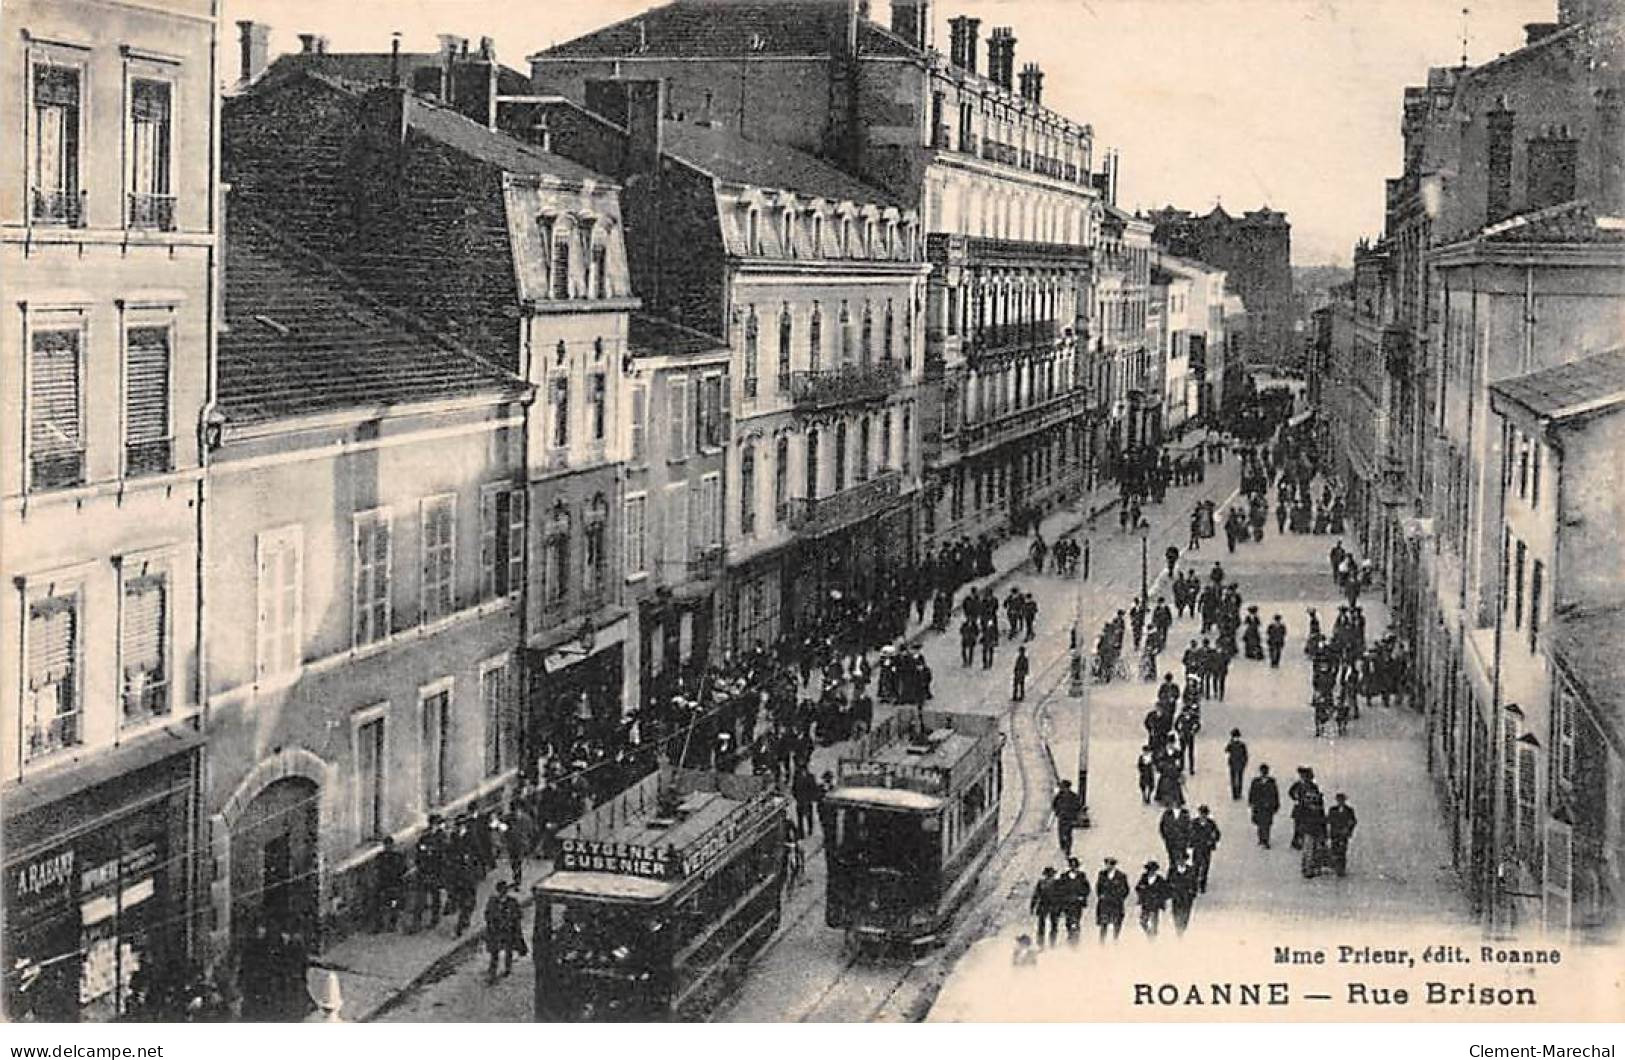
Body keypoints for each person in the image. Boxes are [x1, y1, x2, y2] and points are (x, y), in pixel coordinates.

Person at [484, 880, 526, 981]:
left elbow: (519, 915)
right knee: (495, 952)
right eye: (500, 890)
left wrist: (511, 922)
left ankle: (508, 968)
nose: (502, 892)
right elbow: (487, 915)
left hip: (508, 931)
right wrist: (492, 923)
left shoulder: (512, 902)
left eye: (504, 890)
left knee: (509, 950)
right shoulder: (493, 902)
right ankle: (492, 971)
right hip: (496, 931)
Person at [374, 835, 406, 932]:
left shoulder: (397, 857)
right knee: (381, 904)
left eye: (389, 845)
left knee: (393, 903)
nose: (388, 847)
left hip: (394, 883)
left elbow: (403, 869)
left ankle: (392, 922)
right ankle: (380, 924)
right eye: (386, 845)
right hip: (383, 883)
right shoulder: (380, 856)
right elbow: (377, 869)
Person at [1057, 857, 1092, 941]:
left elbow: (1086, 888)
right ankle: (1070, 935)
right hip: (1067, 902)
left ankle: (1076, 938)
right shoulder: (1064, 876)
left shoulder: (1081, 876)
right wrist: (1062, 898)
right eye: (1071, 865)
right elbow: (1059, 889)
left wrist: (1082, 896)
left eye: (1075, 865)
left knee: (1076, 920)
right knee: (1068, 921)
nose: (1073, 867)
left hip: (1077, 902)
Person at [1095, 857, 1130, 942]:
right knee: (1104, 923)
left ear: (1114, 865)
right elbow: (1098, 887)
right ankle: (1101, 943)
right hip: (1105, 903)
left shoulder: (1121, 875)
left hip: (1116, 903)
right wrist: (1101, 896)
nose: (1108, 866)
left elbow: (1126, 889)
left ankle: (1115, 940)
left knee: (1116, 923)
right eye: (1107, 864)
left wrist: (1120, 898)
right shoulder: (1102, 874)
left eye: (1111, 864)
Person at [1189, 805, 1221, 893]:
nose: (1203, 816)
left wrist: (1212, 840)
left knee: (1205, 866)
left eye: (1204, 814)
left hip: (1206, 848)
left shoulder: (1211, 824)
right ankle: (1194, 885)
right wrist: (1191, 842)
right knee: (1196, 866)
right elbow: (1189, 833)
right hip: (1197, 847)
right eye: (1201, 814)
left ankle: (1203, 884)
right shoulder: (1194, 823)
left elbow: (1217, 834)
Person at [1248, 764, 1281, 848]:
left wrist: (1275, 804)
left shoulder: (1271, 782)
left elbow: (1275, 794)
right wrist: (1252, 803)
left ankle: (1266, 840)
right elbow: (1252, 793)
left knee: (1267, 824)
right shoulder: (1255, 781)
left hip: (1268, 807)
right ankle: (1261, 838)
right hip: (1259, 806)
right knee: (1259, 823)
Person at [1030, 866, 1063, 948]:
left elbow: (1061, 896)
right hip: (1043, 905)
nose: (1049, 875)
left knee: (1054, 925)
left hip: (1054, 905)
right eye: (1048, 874)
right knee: (1041, 925)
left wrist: (1061, 907)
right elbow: (1036, 895)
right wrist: (1032, 906)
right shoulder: (1041, 883)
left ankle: (1052, 943)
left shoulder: (1057, 883)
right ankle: (1040, 943)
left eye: (1051, 874)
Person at [1135, 861, 1170, 938]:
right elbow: (1137, 888)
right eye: (1149, 869)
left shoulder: (1160, 879)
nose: (1150, 871)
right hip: (1146, 903)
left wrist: (1161, 899)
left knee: (1154, 922)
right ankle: (1149, 933)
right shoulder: (1144, 878)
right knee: (1142, 921)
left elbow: (1166, 891)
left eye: (1152, 869)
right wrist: (1142, 891)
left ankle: (1153, 938)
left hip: (1155, 904)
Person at [1327, 793, 1358, 877]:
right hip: (1335, 833)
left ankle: (1341, 868)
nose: (1340, 802)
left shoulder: (1349, 810)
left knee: (1342, 851)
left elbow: (1353, 821)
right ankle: (1336, 866)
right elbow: (1329, 820)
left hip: (1343, 834)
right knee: (1334, 850)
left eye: (1342, 800)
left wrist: (1348, 830)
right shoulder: (1332, 810)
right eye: (1339, 800)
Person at [1168, 855, 1199, 936]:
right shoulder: (1172, 871)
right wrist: (1170, 893)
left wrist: (1193, 893)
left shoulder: (1190, 870)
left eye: (1183, 860)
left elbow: (1194, 883)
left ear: (1185, 861)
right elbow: (1168, 883)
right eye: (1179, 860)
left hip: (1186, 897)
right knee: (1176, 913)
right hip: (1176, 896)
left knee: (1185, 913)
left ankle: (1183, 927)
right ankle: (1178, 929)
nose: (1181, 862)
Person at [1052, 778, 1082, 857]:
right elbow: (1054, 804)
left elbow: (1078, 806)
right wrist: (1057, 812)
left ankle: (1068, 849)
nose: (1063, 789)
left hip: (1069, 818)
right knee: (1061, 833)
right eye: (1062, 787)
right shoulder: (1059, 796)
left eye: (1064, 787)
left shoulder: (1073, 796)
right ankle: (1062, 846)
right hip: (1061, 817)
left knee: (1068, 833)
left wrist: (1075, 815)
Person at [1225, 729, 1249, 801]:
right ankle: (1235, 793)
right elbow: (1226, 750)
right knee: (1235, 779)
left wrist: (1244, 762)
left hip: (1237, 763)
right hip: (1234, 763)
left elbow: (1245, 755)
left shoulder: (1241, 745)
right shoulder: (1234, 744)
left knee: (1238, 779)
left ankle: (1237, 793)